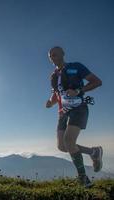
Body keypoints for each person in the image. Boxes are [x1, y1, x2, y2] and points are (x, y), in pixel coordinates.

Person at [46, 46, 103, 187]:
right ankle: (94, 152)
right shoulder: (53, 76)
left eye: (55, 54)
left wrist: (79, 90)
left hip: (78, 108)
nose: (53, 57)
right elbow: (56, 94)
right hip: (63, 112)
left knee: (69, 140)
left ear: (62, 54)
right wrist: (50, 102)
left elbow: (97, 81)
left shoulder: (76, 67)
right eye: (51, 56)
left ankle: (83, 179)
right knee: (62, 146)